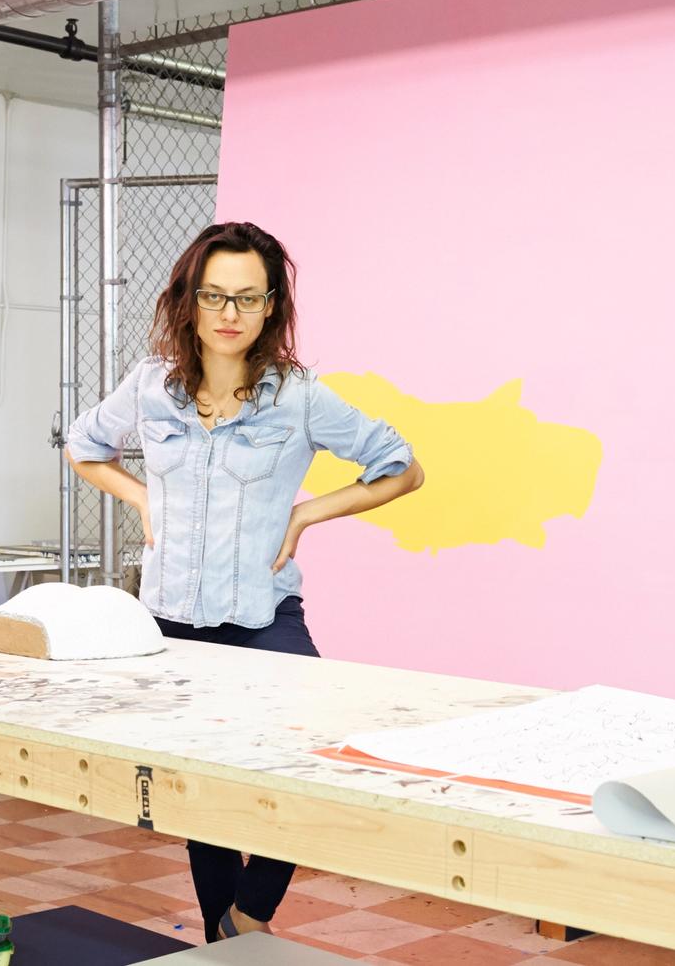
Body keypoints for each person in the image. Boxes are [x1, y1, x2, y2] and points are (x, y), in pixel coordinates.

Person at [66, 221, 424, 942]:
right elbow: (84, 445)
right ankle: (224, 941)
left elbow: (402, 468)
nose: (229, 313)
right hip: (171, 620)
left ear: (270, 307)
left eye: (248, 298)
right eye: (214, 295)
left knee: (314, 758)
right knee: (201, 785)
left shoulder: (299, 397)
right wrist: (142, 499)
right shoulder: (150, 387)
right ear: (189, 301)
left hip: (263, 616)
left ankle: (249, 915)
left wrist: (307, 513)